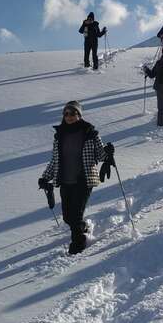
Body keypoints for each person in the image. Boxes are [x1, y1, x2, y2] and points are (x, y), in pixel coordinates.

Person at [38, 101, 115, 254]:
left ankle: (78, 244)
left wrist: (108, 152)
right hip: (65, 180)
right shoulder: (60, 135)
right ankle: (82, 227)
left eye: (73, 113)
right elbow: (55, 160)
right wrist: (45, 177)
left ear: (79, 115)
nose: (69, 117)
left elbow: (100, 155)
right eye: (66, 114)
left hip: (84, 179)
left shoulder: (89, 133)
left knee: (75, 214)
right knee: (67, 216)